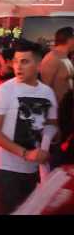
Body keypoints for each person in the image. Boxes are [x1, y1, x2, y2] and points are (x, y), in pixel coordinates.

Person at [0, 40, 58, 214]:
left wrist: (48, 143)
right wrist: (26, 154)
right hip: (5, 167)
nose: (18, 66)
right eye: (16, 61)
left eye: (25, 61)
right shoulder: (3, 91)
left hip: (34, 167)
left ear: (39, 64)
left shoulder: (47, 92)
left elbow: (52, 125)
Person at [40, 27, 74, 169]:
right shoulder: (52, 58)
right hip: (57, 113)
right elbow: (44, 91)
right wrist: (51, 121)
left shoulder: (66, 58)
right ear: (70, 39)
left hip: (68, 113)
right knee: (56, 155)